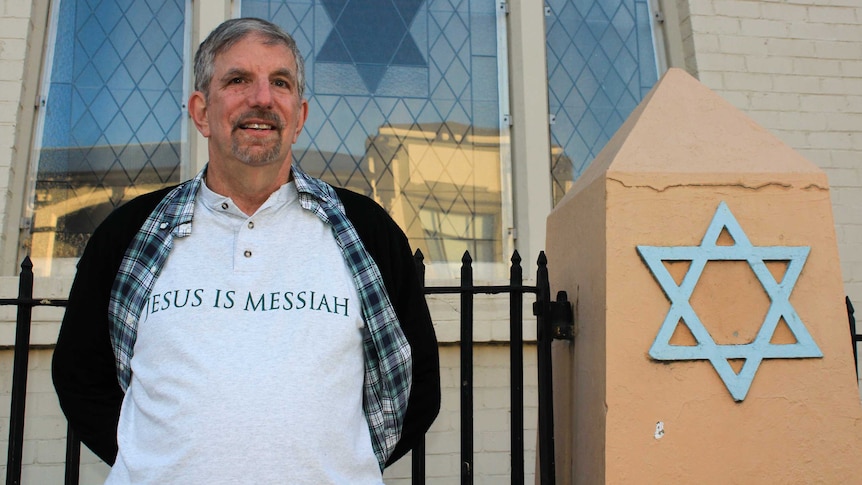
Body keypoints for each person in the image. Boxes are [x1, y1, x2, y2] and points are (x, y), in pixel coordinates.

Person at [52, 17, 440, 484]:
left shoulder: (365, 231)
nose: (262, 98)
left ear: (299, 116)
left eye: (280, 82)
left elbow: (414, 385)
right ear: (200, 111)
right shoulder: (130, 233)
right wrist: (155, 461)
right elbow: (81, 377)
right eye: (238, 80)